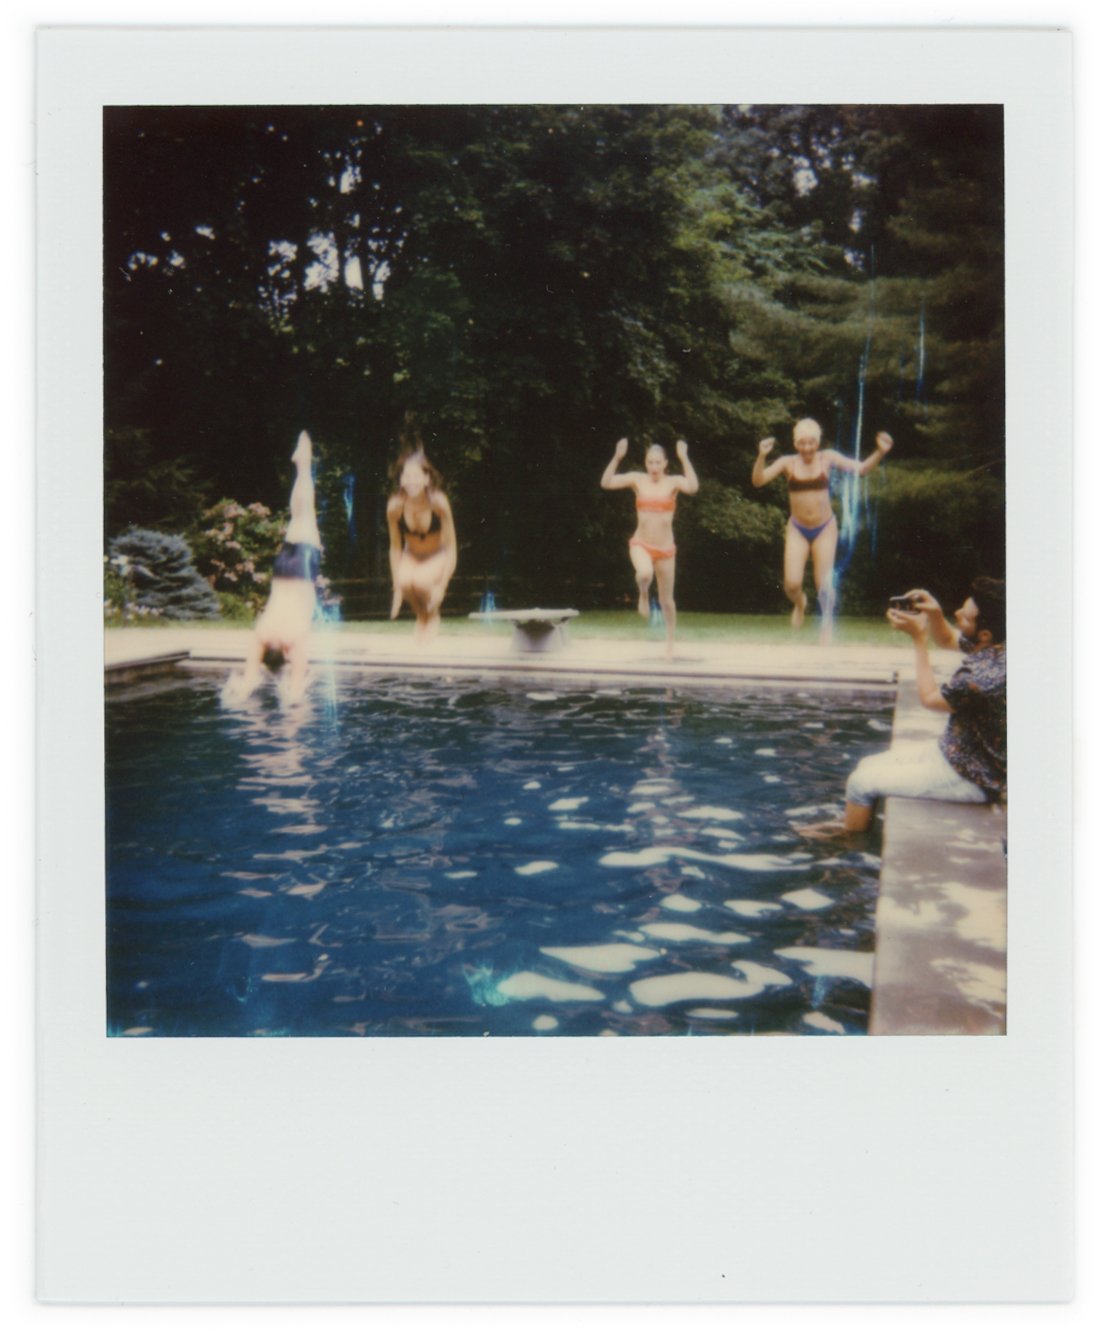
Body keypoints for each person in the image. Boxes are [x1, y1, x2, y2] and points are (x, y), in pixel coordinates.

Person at [832, 577, 1006, 833]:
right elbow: (948, 639)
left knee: (860, 782)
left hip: (971, 777)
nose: (957, 613)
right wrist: (935, 613)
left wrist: (918, 639)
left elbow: (930, 699)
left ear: (984, 634)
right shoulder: (997, 646)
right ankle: (853, 823)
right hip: (959, 754)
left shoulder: (984, 677)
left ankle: (848, 842)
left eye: (966, 616)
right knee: (867, 765)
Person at [752, 418, 893, 634]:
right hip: (798, 528)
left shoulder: (827, 458)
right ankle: (800, 603)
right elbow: (758, 481)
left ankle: (827, 621)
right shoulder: (787, 462)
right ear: (795, 444)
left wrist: (880, 452)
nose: (807, 448)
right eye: (802, 443)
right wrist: (761, 456)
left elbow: (862, 469)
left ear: (817, 442)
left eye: (811, 443)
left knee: (824, 586)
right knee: (791, 584)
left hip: (824, 528)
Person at [223, 430, 322, 707]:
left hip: (303, 569)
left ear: (287, 656)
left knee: (305, 513)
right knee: (299, 514)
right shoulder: (262, 634)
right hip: (283, 571)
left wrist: (292, 699)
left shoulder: (295, 639)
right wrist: (241, 692)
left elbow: (297, 684)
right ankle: (302, 467)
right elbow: (249, 677)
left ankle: (304, 465)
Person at [601, 436, 698, 659]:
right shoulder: (638, 480)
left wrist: (684, 457)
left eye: (658, 462)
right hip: (641, 543)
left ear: (665, 464)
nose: (653, 467)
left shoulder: (673, 483)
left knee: (667, 601)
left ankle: (670, 644)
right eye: (650, 462)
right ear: (646, 463)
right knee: (644, 573)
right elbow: (606, 483)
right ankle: (643, 594)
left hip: (665, 550)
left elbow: (693, 487)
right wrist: (617, 457)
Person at [386, 442, 457, 641]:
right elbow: (395, 547)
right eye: (406, 476)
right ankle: (421, 617)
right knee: (406, 582)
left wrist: (442, 586)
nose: (411, 481)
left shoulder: (438, 503)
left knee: (422, 582)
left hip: (437, 553)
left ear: (426, 478)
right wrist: (397, 588)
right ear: (401, 480)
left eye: (416, 476)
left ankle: (433, 616)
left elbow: (451, 548)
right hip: (412, 555)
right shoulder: (395, 507)